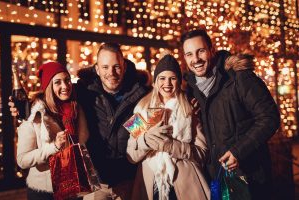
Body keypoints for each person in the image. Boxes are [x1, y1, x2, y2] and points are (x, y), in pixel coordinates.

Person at [181, 29, 280, 199]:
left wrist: (238, 151)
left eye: (201, 51)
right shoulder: (190, 91)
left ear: (211, 50)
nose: (195, 59)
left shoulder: (238, 78)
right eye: (189, 54)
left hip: (250, 177)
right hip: (217, 180)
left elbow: (270, 117)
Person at [126, 53, 210, 200]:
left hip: (185, 184)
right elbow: (131, 155)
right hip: (151, 184)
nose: (167, 83)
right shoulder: (141, 108)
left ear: (179, 81)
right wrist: (145, 140)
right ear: (155, 81)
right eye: (162, 78)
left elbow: (202, 154)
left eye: (173, 78)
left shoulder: (190, 108)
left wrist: (172, 146)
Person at [76, 42, 150, 200]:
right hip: (95, 183)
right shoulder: (84, 93)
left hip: (129, 180)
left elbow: (170, 100)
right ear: (97, 69)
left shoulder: (141, 95)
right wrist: (24, 108)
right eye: (105, 67)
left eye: (116, 67)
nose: (111, 73)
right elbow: (52, 101)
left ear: (124, 67)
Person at [16, 62, 89, 200]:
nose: (65, 86)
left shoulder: (75, 108)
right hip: (45, 192)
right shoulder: (34, 115)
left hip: (74, 185)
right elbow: (22, 160)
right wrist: (53, 147)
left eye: (67, 80)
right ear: (48, 86)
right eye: (57, 82)